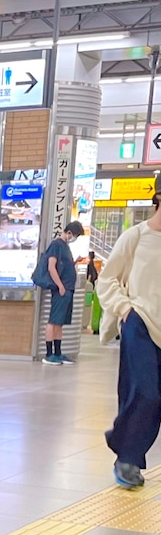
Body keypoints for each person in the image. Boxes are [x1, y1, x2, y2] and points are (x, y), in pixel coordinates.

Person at [98, 184, 161, 489]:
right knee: (145, 392)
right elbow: (107, 279)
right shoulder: (136, 237)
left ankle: (126, 446)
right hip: (141, 323)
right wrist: (125, 310)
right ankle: (128, 458)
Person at [42, 220, 84, 364]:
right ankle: (49, 354)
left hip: (68, 289)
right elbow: (51, 267)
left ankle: (58, 353)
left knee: (59, 322)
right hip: (61, 289)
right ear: (69, 232)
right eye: (75, 235)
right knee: (53, 320)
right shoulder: (56, 245)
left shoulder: (65, 246)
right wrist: (60, 285)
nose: (74, 238)